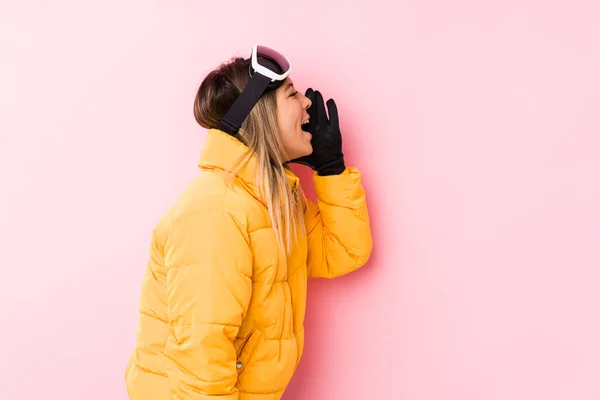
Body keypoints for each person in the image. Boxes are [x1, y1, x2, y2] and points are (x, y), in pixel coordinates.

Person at [124, 45, 373, 400]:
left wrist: (331, 169)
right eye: (292, 95)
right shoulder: (216, 212)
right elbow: (201, 360)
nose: (307, 105)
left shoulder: (273, 202)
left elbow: (344, 251)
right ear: (261, 115)